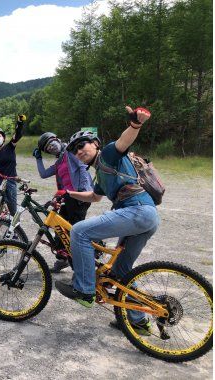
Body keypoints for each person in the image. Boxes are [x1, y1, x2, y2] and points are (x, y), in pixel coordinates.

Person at [55, 105, 158, 335]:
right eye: (74, 150)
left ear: (96, 144)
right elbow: (94, 196)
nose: (79, 151)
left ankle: (85, 290)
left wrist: (135, 124)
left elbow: (124, 141)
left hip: (137, 211)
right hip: (146, 217)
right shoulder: (101, 172)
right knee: (122, 271)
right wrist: (69, 193)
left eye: (82, 145)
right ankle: (138, 321)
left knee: (79, 231)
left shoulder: (109, 155)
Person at [32, 132, 93, 273]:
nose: (51, 148)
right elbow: (43, 174)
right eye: (48, 149)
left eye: (52, 144)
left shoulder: (71, 153)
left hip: (79, 198)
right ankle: (62, 259)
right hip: (67, 198)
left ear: (58, 140)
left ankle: (81, 272)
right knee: (60, 230)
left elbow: (83, 167)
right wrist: (38, 158)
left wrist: (83, 190)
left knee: (74, 235)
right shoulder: (59, 162)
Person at [0, 115, 26, 217]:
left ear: (3, 137)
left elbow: (17, 135)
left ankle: (15, 231)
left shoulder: (10, 147)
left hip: (10, 181)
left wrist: (20, 123)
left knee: (13, 208)